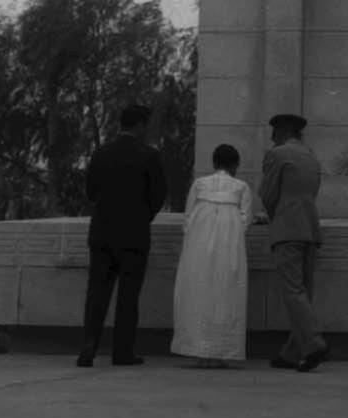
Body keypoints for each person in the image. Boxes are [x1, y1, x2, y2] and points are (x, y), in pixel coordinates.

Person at [77, 103, 168, 368]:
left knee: (96, 293)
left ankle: (88, 346)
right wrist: (141, 216)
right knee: (128, 297)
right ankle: (122, 352)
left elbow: (91, 191)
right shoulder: (149, 156)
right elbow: (157, 196)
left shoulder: (101, 153)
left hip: (102, 233)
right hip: (134, 236)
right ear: (140, 126)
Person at [171, 143, 253, 368]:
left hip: (198, 247)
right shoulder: (242, 187)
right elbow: (245, 221)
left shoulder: (199, 184)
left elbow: (187, 220)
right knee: (226, 295)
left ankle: (199, 351)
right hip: (229, 247)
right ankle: (221, 352)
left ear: (214, 163)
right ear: (235, 165)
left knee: (198, 293)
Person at [258, 113, 329, 371]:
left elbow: (267, 194)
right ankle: (292, 352)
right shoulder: (311, 156)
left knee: (293, 291)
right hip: (310, 228)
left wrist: (274, 217)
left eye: (274, 132)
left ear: (282, 132)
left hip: (288, 229)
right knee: (304, 292)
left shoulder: (278, 154)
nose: (271, 137)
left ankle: (313, 343)